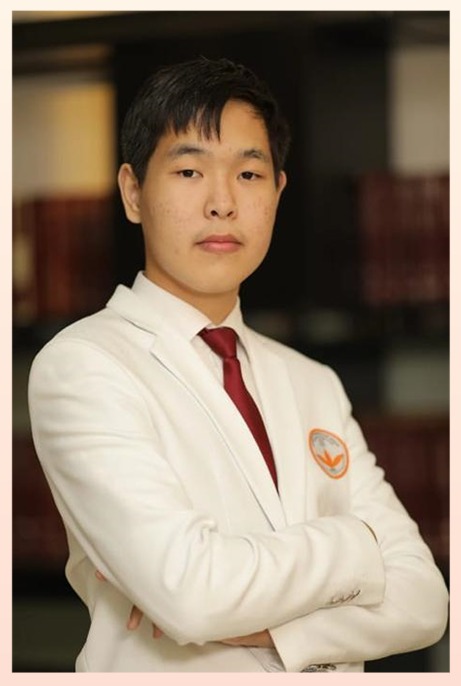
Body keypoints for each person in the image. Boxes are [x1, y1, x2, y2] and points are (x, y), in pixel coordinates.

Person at [28, 56, 448, 673]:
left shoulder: (312, 382)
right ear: (133, 192)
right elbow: (192, 594)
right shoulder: (83, 366)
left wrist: (269, 628)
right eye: (189, 170)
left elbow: (425, 600)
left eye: (249, 173)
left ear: (278, 192)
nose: (222, 202)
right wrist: (359, 546)